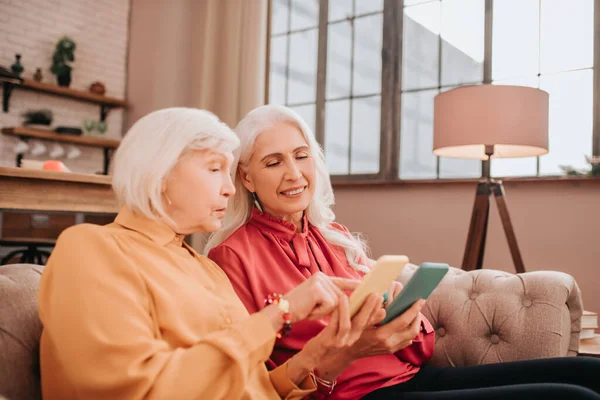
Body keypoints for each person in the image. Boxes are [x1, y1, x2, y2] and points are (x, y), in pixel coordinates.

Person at [206, 104, 600, 400]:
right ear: (246, 177)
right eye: (273, 162)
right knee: (573, 398)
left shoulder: (334, 236)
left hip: (412, 378)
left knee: (589, 373)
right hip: (359, 396)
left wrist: (405, 316)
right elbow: (254, 378)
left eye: (301, 155)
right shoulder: (231, 256)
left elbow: (420, 347)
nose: (293, 173)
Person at [37, 107, 384, 400]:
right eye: (215, 168)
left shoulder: (206, 270)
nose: (231, 187)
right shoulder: (91, 247)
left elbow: (252, 388)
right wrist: (282, 311)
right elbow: (143, 389)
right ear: (160, 175)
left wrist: (317, 358)